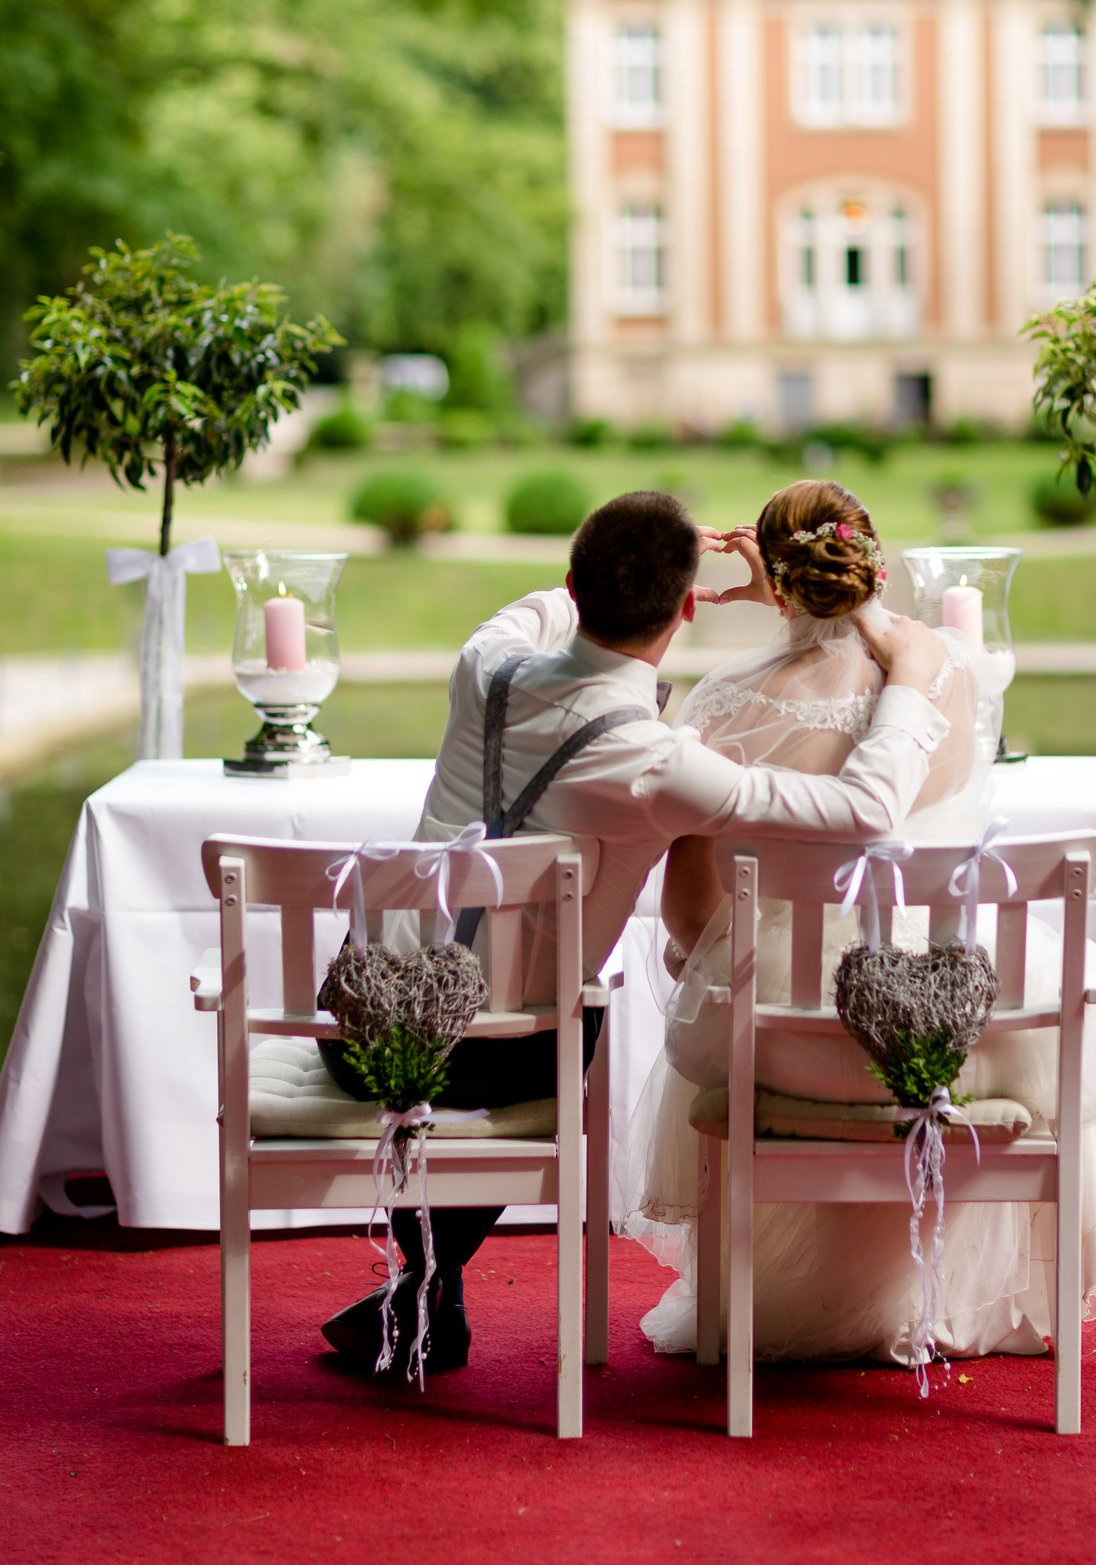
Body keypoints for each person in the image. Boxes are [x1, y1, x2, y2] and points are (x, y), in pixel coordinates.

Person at [320, 488, 959, 1374]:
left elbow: (551, 603)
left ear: (579, 583)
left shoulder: (486, 661)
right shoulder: (654, 761)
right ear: (685, 609)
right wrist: (915, 677)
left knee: (548, 1002)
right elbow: (865, 807)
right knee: (573, 1006)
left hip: (356, 1028)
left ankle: (427, 1290)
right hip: (491, 1056)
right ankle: (425, 1283)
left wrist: (658, 558)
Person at [617, 479, 1096, 1367]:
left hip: (792, 1038)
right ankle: (948, 1287)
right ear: (876, 566)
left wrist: (692, 959)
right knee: (1057, 1003)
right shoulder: (947, 673)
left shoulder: (718, 701)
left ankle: (793, 1291)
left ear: (773, 583)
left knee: (725, 985)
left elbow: (688, 904)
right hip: (960, 1024)